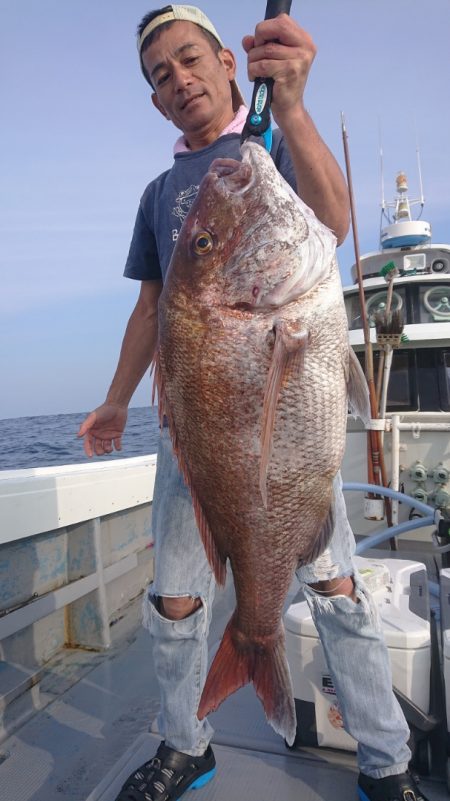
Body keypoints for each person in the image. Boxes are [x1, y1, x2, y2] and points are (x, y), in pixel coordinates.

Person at [78, 6, 428, 801]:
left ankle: (387, 759)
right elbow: (151, 308)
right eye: (161, 75)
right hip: (194, 431)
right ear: (156, 102)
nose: (181, 79)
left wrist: (294, 107)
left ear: (230, 64)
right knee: (174, 598)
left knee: (336, 586)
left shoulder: (269, 146)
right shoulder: (158, 193)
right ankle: (185, 742)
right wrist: (112, 403)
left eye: (191, 59)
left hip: (284, 431)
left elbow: (332, 222)